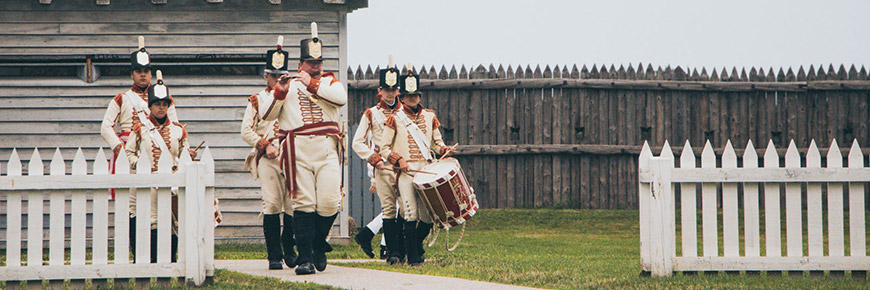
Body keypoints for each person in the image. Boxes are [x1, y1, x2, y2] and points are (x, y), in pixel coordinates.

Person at [262, 22, 348, 275]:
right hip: (298, 150)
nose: (316, 66)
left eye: (319, 62)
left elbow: (340, 99)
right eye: (311, 63)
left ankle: (318, 244)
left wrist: (311, 82)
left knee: (331, 202)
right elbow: (267, 114)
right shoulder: (288, 84)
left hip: (326, 149)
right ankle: (306, 259)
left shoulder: (330, 83)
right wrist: (280, 91)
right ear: (300, 64)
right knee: (304, 204)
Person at [99, 36, 178, 260]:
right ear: (132, 73)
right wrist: (120, 150)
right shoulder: (123, 98)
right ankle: (136, 252)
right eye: (138, 70)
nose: (143, 74)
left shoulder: (164, 99)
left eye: (146, 70)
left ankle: (163, 252)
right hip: (129, 155)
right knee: (131, 207)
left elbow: (173, 126)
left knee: (160, 205)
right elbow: (106, 127)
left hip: (157, 156)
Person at [379, 64, 455, 266]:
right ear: (401, 98)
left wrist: (444, 149)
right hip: (406, 172)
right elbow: (383, 148)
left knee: (428, 216)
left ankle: (410, 247)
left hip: (426, 170)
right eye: (409, 96)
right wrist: (398, 160)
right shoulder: (394, 119)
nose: (413, 99)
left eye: (416, 96)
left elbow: (436, 143)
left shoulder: (430, 116)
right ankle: (413, 258)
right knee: (410, 213)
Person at [124, 71, 196, 263]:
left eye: (165, 104)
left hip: (171, 184)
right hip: (148, 184)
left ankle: (171, 260)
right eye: (158, 104)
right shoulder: (140, 129)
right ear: (151, 106)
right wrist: (139, 166)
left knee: (172, 223)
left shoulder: (179, 130)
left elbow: (184, 154)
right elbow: (129, 152)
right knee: (152, 221)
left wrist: (188, 158)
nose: (161, 108)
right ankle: (152, 260)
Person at [241, 36, 296, 270]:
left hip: (292, 154)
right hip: (269, 156)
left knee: (294, 204)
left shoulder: (294, 96)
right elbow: (246, 131)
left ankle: (289, 248)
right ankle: (274, 254)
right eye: (273, 75)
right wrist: (265, 145)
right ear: (266, 76)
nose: (277, 79)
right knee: (272, 205)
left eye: (281, 75)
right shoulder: (257, 100)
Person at [351, 55, 406, 264]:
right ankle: (392, 253)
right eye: (386, 90)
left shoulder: (407, 112)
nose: (390, 94)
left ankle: (405, 250)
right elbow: (358, 142)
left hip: (404, 168)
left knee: (408, 210)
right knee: (390, 210)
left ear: (398, 91)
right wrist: (374, 160)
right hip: (383, 168)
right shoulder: (371, 114)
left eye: (393, 90)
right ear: (379, 91)